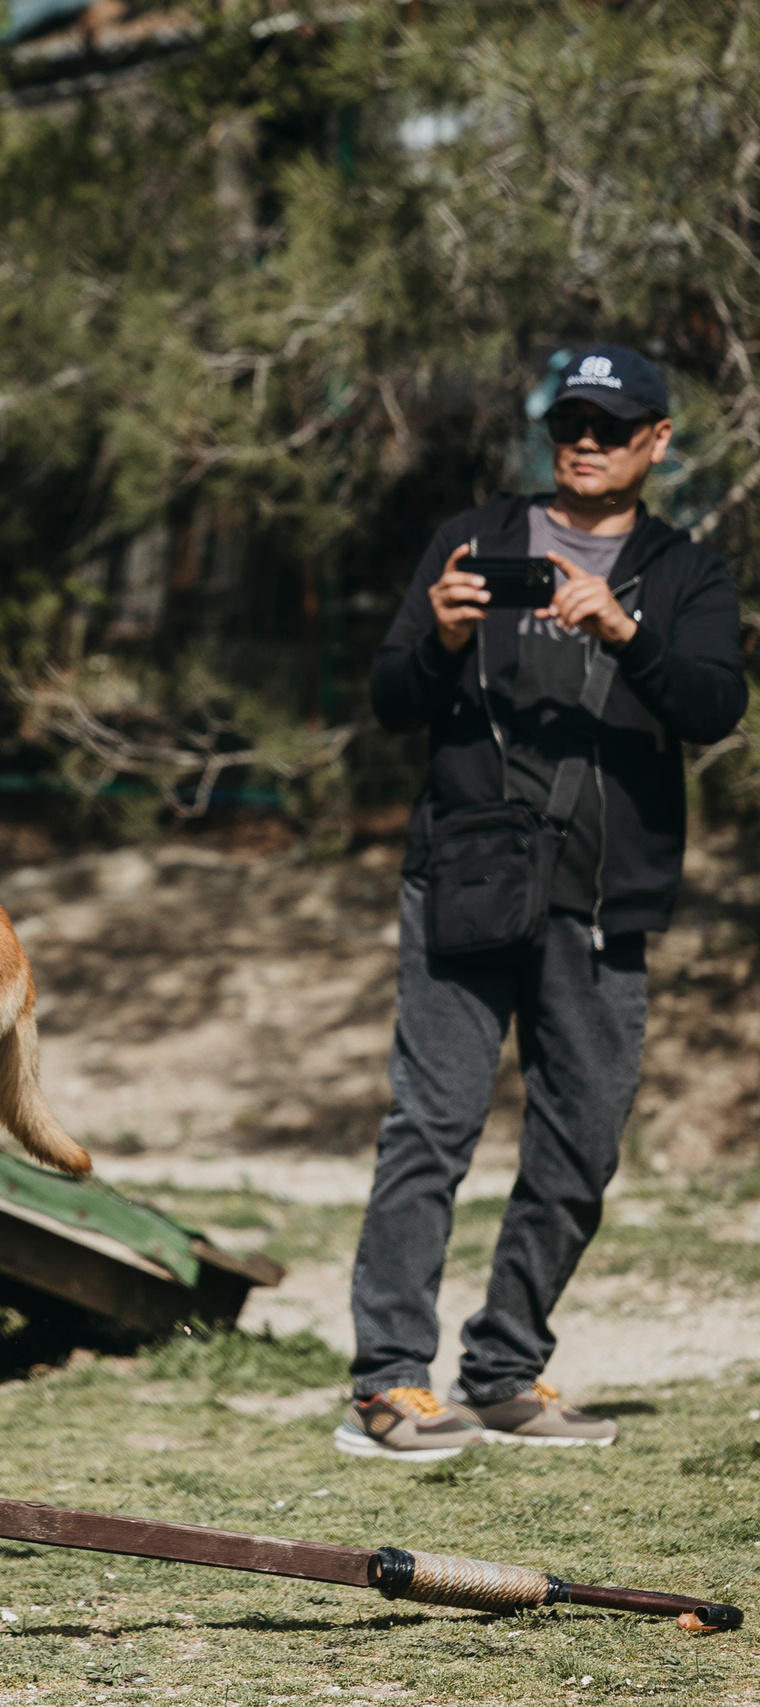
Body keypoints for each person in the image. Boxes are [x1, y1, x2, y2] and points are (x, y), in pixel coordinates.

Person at [339, 345, 747, 1461]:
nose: (586, 440)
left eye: (611, 426)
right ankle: (387, 1383)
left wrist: (625, 633)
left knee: (579, 1149)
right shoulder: (475, 538)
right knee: (430, 1127)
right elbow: (389, 697)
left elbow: (714, 705)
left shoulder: (684, 574)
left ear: (656, 441)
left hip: (606, 902)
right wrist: (442, 635)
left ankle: (506, 1370)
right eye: (570, 420)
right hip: (462, 886)